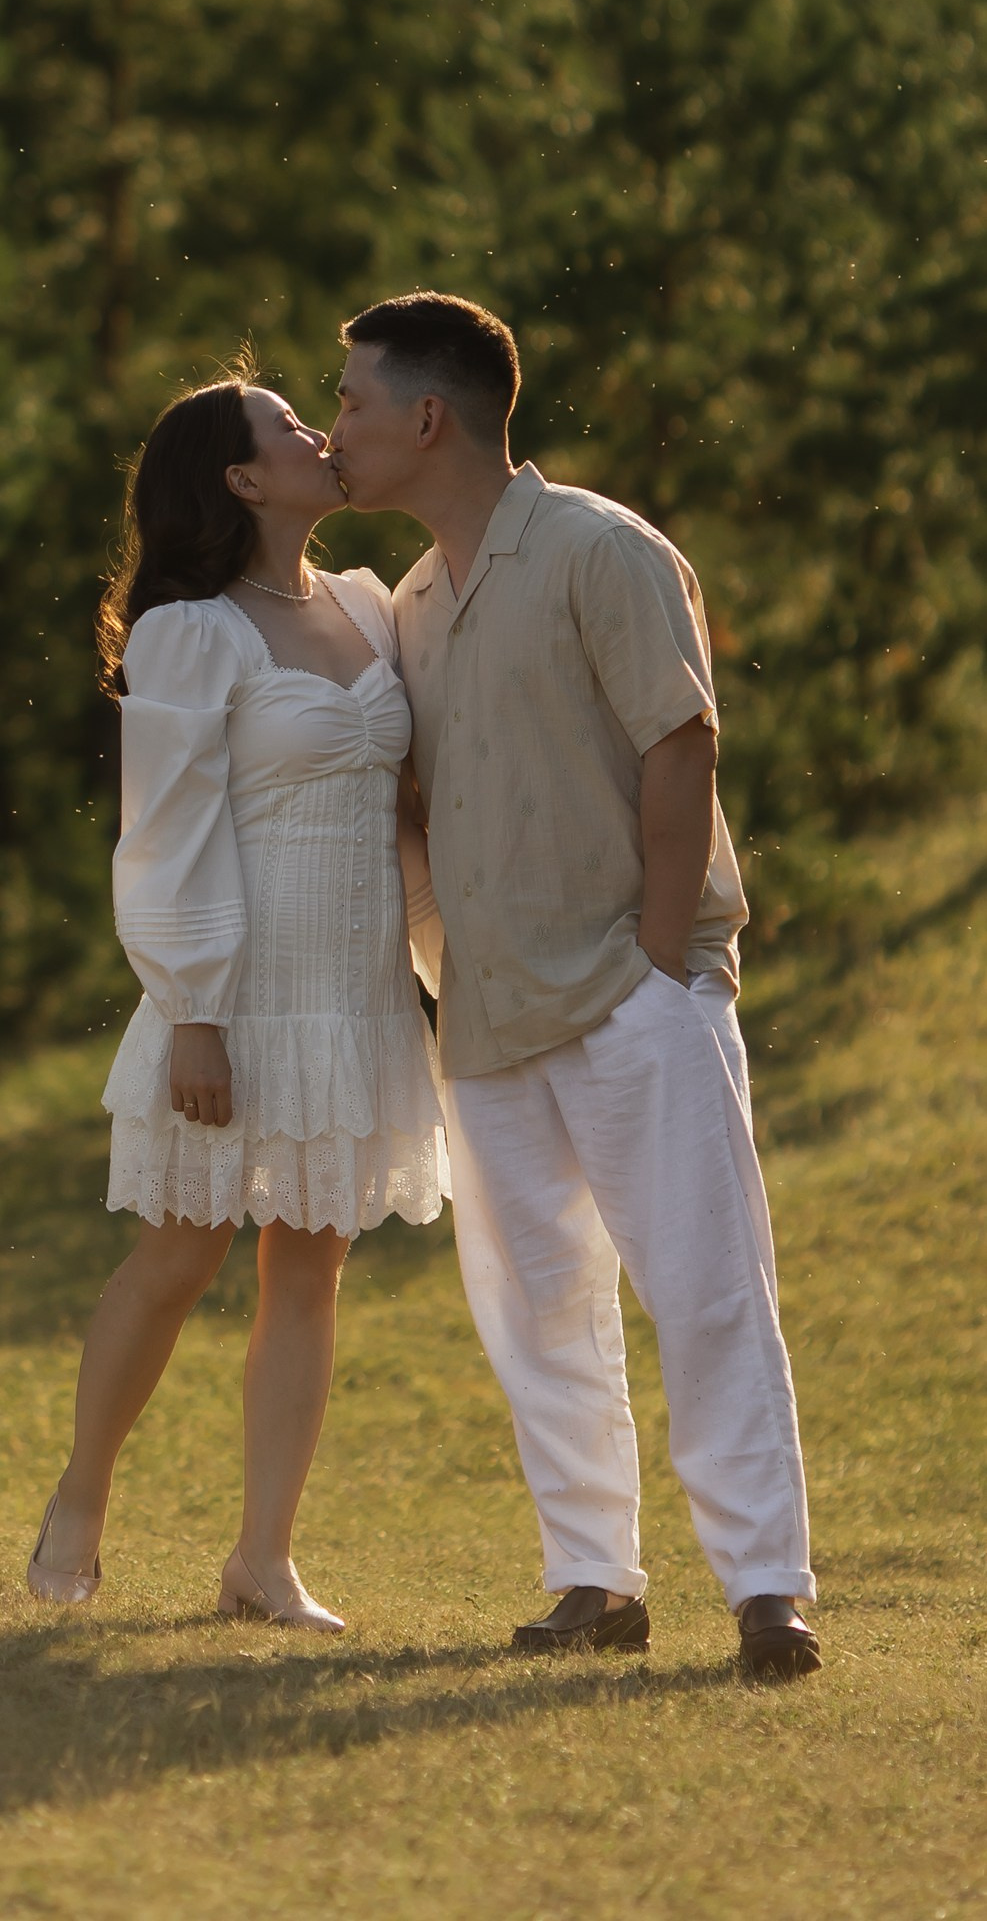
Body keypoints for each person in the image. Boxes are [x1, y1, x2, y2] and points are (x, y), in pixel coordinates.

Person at [329, 290, 822, 1683]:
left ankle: (764, 1588)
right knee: (532, 1307)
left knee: (705, 1289)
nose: (334, 425)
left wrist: (661, 970)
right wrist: (432, 963)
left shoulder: (603, 550)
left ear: (428, 417)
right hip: (483, 1014)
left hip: (628, 993)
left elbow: (679, 749)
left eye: (351, 399)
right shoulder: (411, 606)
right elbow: (419, 801)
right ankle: (592, 1581)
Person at [26, 372, 445, 1629]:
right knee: (177, 1253)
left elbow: (414, 810)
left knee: (307, 1266)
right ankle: (79, 1499)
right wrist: (192, 1010)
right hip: (235, 988)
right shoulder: (189, 630)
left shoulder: (375, 609)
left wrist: (445, 962)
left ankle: (262, 1561)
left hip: (353, 995)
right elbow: (162, 832)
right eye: (284, 426)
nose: (318, 432)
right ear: (241, 479)